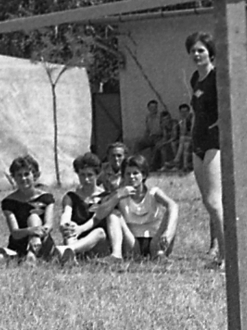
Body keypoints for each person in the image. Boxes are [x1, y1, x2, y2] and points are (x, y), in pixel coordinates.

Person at [185, 31, 227, 261]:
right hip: (197, 141)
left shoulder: (218, 76)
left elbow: (244, 98)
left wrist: (220, 126)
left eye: (201, 50)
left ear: (210, 52)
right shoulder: (195, 79)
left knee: (214, 200)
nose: (196, 54)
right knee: (208, 202)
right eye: (193, 50)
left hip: (215, 142)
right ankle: (219, 248)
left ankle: (226, 255)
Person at [96, 154, 179, 259]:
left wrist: (168, 232)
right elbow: (99, 214)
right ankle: (116, 255)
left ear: (143, 175)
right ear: (123, 176)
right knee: (113, 214)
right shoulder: (119, 194)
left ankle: (160, 254)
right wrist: (117, 196)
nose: (131, 177)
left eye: (135, 173)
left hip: (154, 241)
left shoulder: (153, 192)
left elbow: (173, 206)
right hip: (131, 242)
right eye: (128, 174)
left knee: (172, 210)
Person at [54, 151, 109, 260]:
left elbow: (96, 219)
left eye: (90, 175)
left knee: (99, 231)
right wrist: (64, 225)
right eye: (82, 175)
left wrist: (80, 229)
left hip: (99, 242)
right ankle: (71, 256)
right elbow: (66, 212)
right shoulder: (71, 197)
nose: (86, 179)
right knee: (70, 226)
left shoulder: (105, 197)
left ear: (97, 175)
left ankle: (71, 250)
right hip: (76, 237)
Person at [0, 153, 55, 260]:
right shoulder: (9, 202)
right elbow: (15, 233)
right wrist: (31, 230)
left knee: (33, 217)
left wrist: (36, 235)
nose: (23, 178)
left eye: (26, 174)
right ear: (13, 178)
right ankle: (26, 256)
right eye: (19, 175)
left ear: (35, 175)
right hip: (18, 246)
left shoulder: (46, 198)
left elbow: (49, 226)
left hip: (41, 242)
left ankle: (33, 253)